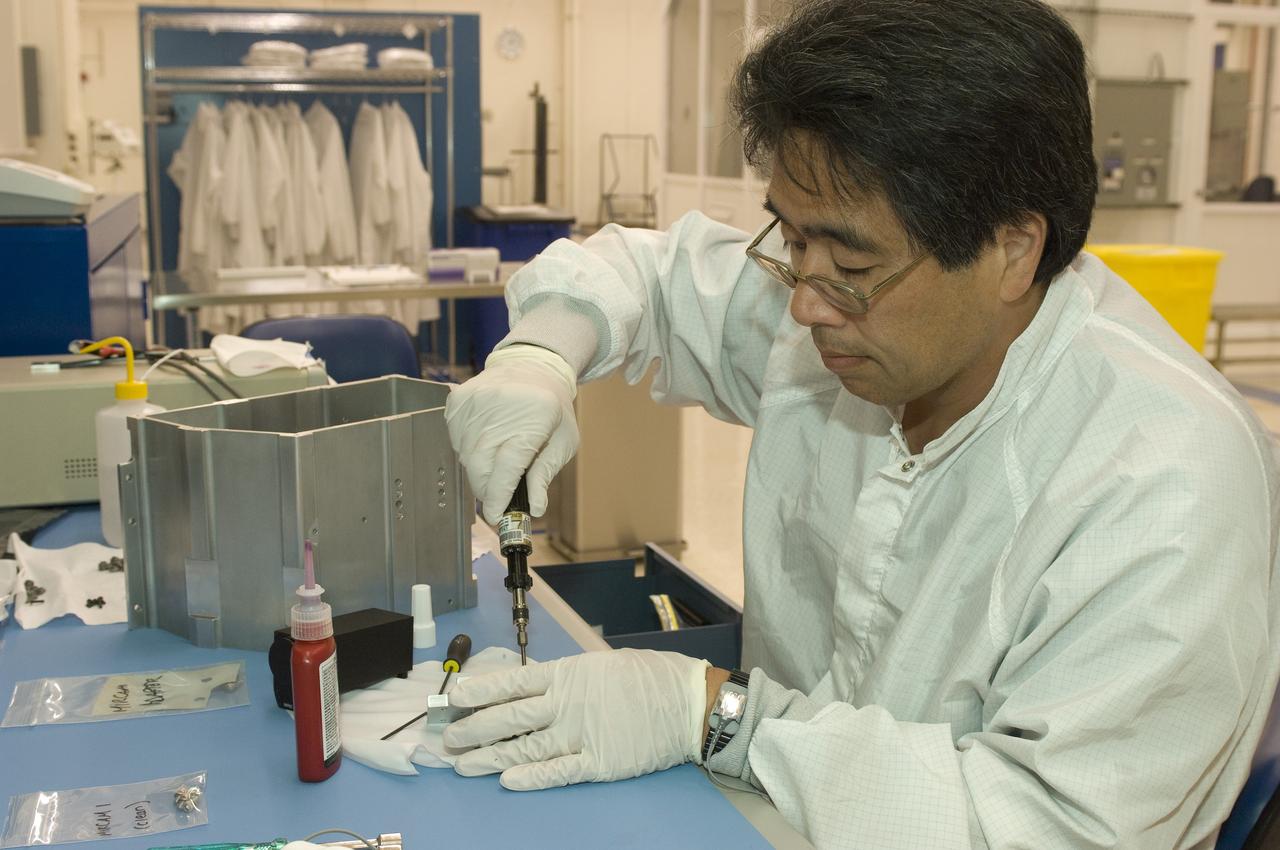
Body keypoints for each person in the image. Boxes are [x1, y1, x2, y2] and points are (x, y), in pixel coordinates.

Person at [439, 1, 1280, 846]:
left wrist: (713, 717)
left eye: (850, 264)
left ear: (1015, 250)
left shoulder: (1164, 483)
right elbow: (649, 278)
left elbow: (1040, 827)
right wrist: (542, 356)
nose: (805, 302)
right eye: (793, 242)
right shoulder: (853, 318)